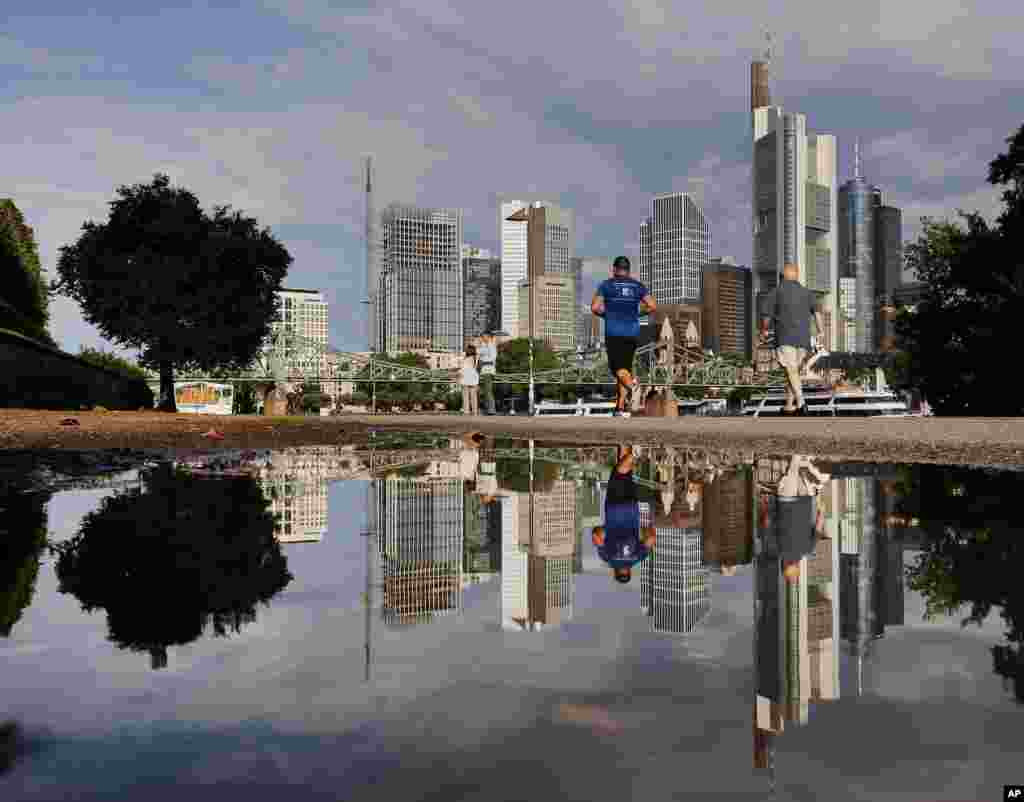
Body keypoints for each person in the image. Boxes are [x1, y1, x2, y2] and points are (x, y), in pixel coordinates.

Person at [591, 256, 656, 417]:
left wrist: (608, 315)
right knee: (625, 369)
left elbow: (595, 307)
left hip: (614, 333)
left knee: (617, 370)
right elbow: (652, 306)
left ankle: (634, 387)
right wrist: (637, 314)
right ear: (628, 270)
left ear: (614, 269)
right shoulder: (637, 286)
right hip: (633, 333)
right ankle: (620, 408)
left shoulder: (606, 285)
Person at [758, 263, 825, 415]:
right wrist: (821, 332)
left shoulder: (777, 291)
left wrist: (764, 330)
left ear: (784, 274)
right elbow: (817, 313)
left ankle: (801, 402)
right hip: (803, 339)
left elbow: (767, 316)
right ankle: (789, 405)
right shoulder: (807, 292)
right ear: (797, 274)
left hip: (785, 336)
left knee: (791, 370)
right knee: (792, 371)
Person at [758, 454, 831, 584]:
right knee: (793, 469)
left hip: (806, 500)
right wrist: (765, 506)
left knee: (802, 472)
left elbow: (818, 528)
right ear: (782, 565)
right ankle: (798, 454)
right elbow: (767, 522)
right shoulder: (775, 547)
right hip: (787, 501)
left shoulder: (808, 549)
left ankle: (804, 456)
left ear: (798, 566)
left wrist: (822, 511)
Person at [591, 445, 656, 583]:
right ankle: (634, 453)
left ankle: (626, 445)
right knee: (619, 473)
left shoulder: (636, 558)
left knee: (625, 475)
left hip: (632, 510)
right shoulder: (608, 558)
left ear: (629, 572)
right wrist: (605, 529)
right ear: (615, 573)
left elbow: (650, 539)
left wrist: (645, 527)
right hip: (614, 510)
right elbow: (597, 536)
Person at [478, 332, 498, 415]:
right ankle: (487, 409)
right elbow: (478, 353)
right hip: (483, 371)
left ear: (488, 337)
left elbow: (493, 358)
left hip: (488, 371)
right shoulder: (483, 346)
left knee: (488, 390)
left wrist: (483, 361)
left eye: (483, 337)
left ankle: (491, 410)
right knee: (485, 391)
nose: (482, 338)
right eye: (482, 337)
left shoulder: (491, 346)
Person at [461, 345, 479, 415]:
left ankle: (466, 411)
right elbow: (477, 368)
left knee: (465, 396)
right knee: (474, 396)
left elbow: (463, 369)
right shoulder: (476, 358)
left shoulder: (465, 359)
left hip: (465, 378)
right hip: (474, 378)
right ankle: (475, 411)